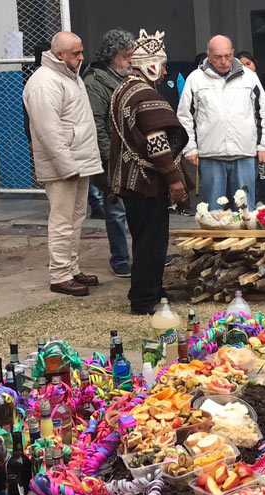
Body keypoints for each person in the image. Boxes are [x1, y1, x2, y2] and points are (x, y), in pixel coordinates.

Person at [109, 29, 192, 315]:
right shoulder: (143, 92)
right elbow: (157, 140)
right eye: (163, 64)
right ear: (151, 65)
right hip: (146, 182)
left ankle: (153, 290)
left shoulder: (122, 89)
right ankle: (144, 299)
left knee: (145, 238)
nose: (166, 70)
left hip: (132, 182)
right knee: (151, 242)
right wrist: (173, 178)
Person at [23, 31, 102, 297]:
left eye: (81, 52)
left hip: (78, 162)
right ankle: (59, 275)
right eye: (75, 53)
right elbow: (49, 132)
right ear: (59, 55)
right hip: (64, 167)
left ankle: (71, 268)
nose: (81, 57)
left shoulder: (69, 76)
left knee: (76, 218)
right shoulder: (44, 82)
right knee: (61, 220)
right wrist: (66, 167)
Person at [177, 35, 265, 211]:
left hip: (244, 153)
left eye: (227, 56)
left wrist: (263, 145)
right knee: (214, 212)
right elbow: (184, 117)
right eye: (218, 57)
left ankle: (245, 238)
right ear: (208, 55)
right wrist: (190, 148)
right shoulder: (195, 79)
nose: (223, 61)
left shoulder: (249, 77)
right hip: (210, 154)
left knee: (244, 210)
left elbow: (263, 113)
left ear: (233, 53)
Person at [81, 28, 134, 278]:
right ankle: (120, 258)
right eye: (126, 56)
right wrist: (108, 161)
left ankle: (143, 254)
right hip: (113, 159)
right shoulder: (95, 83)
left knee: (139, 208)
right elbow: (96, 125)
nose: (130, 61)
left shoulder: (125, 78)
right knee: (116, 210)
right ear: (112, 57)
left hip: (133, 157)